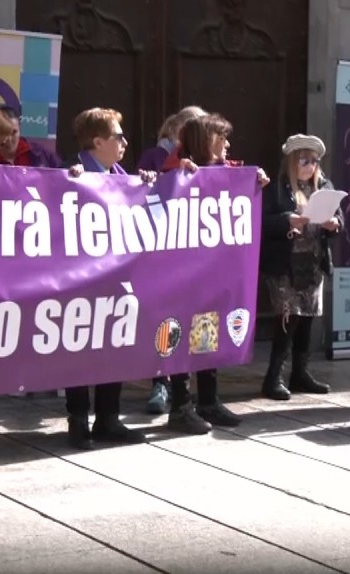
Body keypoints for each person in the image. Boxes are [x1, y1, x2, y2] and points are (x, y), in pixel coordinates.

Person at [163, 113, 270, 433]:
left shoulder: (226, 173)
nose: (227, 143)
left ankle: (208, 400)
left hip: (211, 275)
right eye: (220, 137)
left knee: (206, 334)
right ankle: (180, 407)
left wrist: (256, 178)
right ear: (202, 141)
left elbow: (238, 180)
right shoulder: (175, 170)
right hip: (181, 275)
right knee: (181, 339)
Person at [61, 108, 151, 449]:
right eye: (118, 136)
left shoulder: (121, 174)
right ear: (97, 142)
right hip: (80, 278)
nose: (125, 142)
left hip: (116, 277)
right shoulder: (70, 172)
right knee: (79, 349)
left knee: (114, 342)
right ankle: (78, 420)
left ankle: (108, 419)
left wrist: (142, 185)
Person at [138, 105, 207, 415]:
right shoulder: (156, 157)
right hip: (163, 250)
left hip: (194, 255)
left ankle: (192, 390)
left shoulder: (205, 160)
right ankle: (161, 383)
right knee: (164, 318)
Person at [260, 134, 338, 400]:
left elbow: (339, 217)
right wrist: (287, 220)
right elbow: (263, 222)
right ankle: (273, 377)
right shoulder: (277, 188)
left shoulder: (323, 186)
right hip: (285, 265)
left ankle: (300, 374)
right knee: (288, 318)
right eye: (304, 160)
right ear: (292, 161)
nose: (310, 166)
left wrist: (335, 224)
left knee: (306, 319)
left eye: (314, 161)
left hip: (313, 264)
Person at [0, 105, 64, 168]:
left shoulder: (41, 154)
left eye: (14, 132)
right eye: (4, 133)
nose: (9, 139)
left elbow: (63, 176)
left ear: (20, 127)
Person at [139, 105, 206, 173]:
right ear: (181, 131)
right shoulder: (153, 156)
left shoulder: (204, 158)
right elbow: (137, 180)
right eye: (198, 133)